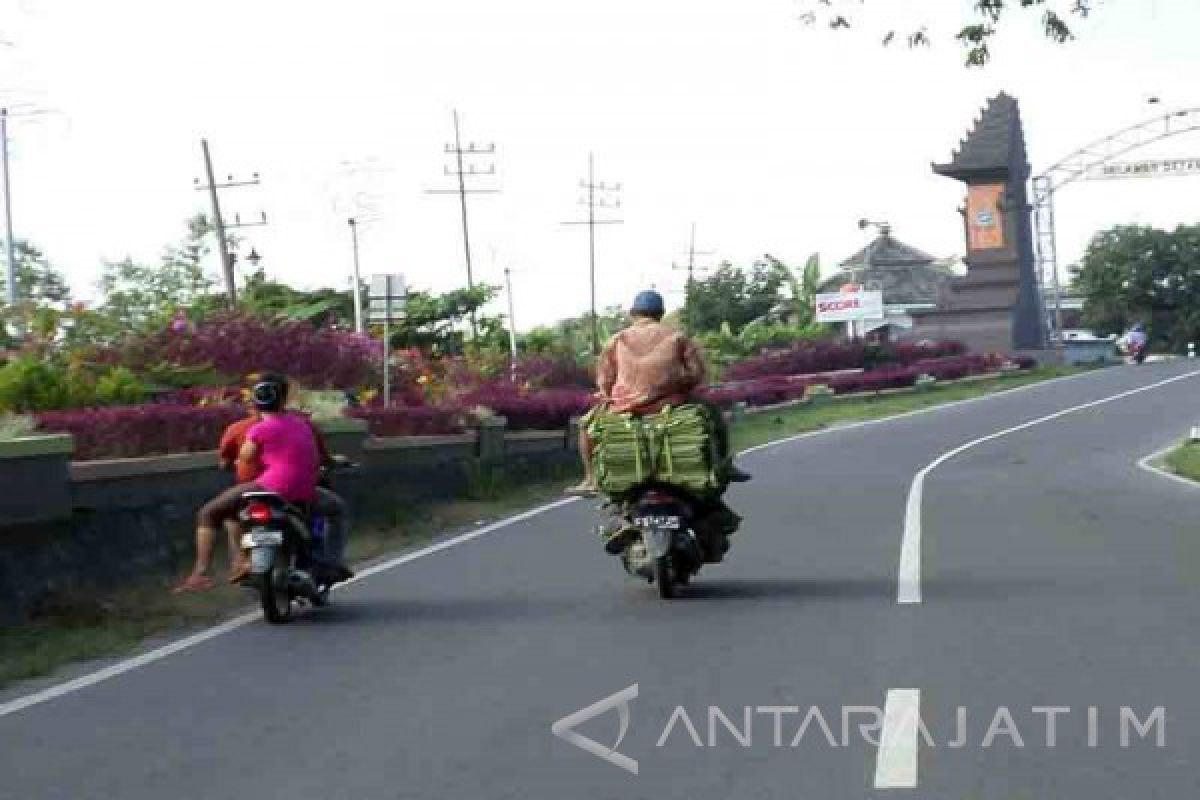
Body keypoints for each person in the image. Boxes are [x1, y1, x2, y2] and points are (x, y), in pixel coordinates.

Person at [174, 373, 352, 593]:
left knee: (209, 513)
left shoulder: (249, 429)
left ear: (253, 399)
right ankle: (331, 563)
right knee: (337, 510)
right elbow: (321, 457)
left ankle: (201, 574)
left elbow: (242, 459)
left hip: (266, 488)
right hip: (303, 491)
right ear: (284, 399)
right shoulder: (303, 424)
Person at [567, 289, 751, 497]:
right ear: (660, 313)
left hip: (624, 406)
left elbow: (605, 378)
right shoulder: (677, 337)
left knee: (585, 426)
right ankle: (725, 465)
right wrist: (679, 385)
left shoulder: (617, 340)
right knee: (714, 415)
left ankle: (590, 479)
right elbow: (696, 373)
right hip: (671, 403)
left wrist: (609, 394)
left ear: (632, 313)